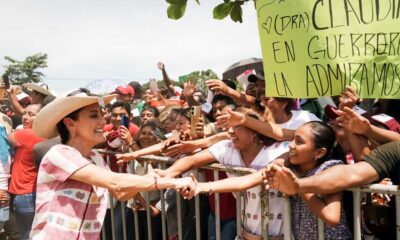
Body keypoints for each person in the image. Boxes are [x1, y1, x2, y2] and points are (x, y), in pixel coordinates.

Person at [29, 89, 195, 239]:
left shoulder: (95, 157)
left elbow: (121, 193)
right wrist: (172, 181)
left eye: (101, 114)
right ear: (70, 123)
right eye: (94, 115)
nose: (103, 121)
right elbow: (115, 182)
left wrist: (151, 177)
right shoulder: (59, 154)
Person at [146, 111, 288, 239]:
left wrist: (200, 186)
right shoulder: (227, 147)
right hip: (245, 234)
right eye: (229, 127)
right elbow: (192, 159)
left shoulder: (279, 151)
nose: (230, 132)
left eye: (236, 126)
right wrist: (168, 173)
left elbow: (244, 182)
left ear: (254, 131)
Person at [7, 104, 44, 240]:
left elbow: (10, 136)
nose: (25, 117)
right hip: (34, 193)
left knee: (27, 236)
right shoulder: (46, 135)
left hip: (25, 194)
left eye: (31, 114)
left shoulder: (28, 134)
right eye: (25, 113)